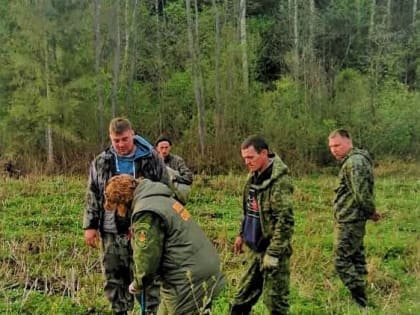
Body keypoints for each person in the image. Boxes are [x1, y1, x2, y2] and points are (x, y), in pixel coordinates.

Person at [103, 174, 225, 315]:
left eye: (117, 208)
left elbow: (147, 258)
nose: (118, 214)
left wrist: (138, 283)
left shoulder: (146, 212)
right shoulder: (157, 197)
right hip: (198, 267)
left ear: (122, 201)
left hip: (187, 277)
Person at [83, 117, 169, 315]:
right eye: (116, 140)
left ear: (133, 135)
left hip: (143, 229)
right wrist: (90, 225)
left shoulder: (151, 158)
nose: (121, 144)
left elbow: (164, 189)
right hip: (111, 229)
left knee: (146, 274)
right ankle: (119, 311)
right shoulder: (101, 161)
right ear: (110, 139)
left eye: (124, 139)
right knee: (114, 276)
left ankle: (149, 311)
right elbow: (93, 193)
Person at [230, 135, 294, 315]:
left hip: (273, 253)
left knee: (276, 305)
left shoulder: (280, 182)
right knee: (240, 301)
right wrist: (241, 233)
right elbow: (248, 208)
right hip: (253, 250)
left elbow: (285, 222)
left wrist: (273, 254)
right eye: (244, 158)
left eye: (251, 157)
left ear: (264, 153)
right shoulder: (252, 176)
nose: (247, 162)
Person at [328, 129, 381, 308]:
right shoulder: (353, 161)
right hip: (351, 218)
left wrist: (371, 212)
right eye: (331, 147)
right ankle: (363, 295)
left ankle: (361, 300)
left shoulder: (354, 163)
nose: (334, 150)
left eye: (337, 145)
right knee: (356, 257)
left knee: (341, 261)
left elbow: (361, 194)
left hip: (350, 220)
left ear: (348, 142)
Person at [155, 136, 193, 201]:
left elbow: (189, 178)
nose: (164, 151)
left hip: (174, 196)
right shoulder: (152, 162)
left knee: (169, 172)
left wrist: (175, 177)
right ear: (157, 148)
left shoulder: (177, 160)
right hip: (158, 195)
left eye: (166, 147)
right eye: (161, 148)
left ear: (170, 147)